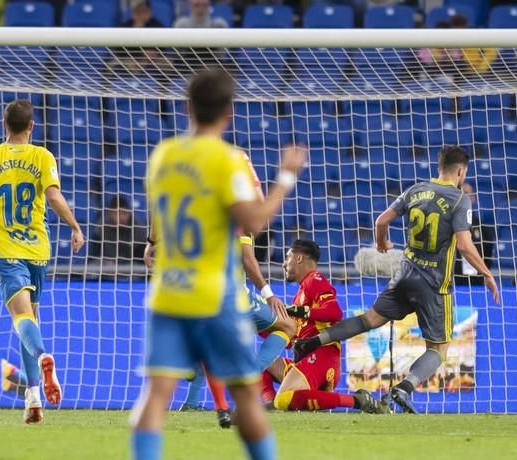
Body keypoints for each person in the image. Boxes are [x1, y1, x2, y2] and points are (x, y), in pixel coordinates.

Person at [130, 69, 306, 460]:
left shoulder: (164, 156)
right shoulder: (228, 162)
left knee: (154, 398)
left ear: (187, 107)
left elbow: (161, 213)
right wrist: (286, 178)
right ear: (228, 111)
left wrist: (152, 243)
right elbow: (255, 220)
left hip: (169, 292)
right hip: (216, 293)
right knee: (245, 398)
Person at [294, 146, 500, 414]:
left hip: (404, 273)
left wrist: (382, 243)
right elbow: (464, 245)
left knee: (368, 320)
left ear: (440, 167)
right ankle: (404, 388)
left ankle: (313, 341)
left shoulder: (416, 190)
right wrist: (486, 273)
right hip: (433, 284)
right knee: (439, 350)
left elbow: (381, 221)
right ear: (461, 171)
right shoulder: (460, 200)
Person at [145, 154, 298, 429]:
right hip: (229, 294)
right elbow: (247, 258)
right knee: (287, 325)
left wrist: (152, 242)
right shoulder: (234, 211)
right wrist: (267, 293)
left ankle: (191, 396)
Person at [0, 100, 85, 423]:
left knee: (21, 318)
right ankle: (33, 398)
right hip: (38, 248)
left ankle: (42, 356)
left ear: (5, 124)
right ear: (31, 126)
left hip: (5, 249)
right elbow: (52, 196)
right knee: (31, 319)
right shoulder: (42, 156)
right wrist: (75, 227)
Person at [261, 239, 385, 414]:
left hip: (323, 356)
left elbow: (334, 313)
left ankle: (357, 400)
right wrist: (259, 327)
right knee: (263, 365)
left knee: (285, 398)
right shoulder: (301, 292)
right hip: (306, 361)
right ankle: (272, 408)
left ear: (299, 258)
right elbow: (290, 341)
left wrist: (294, 310)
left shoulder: (315, 279)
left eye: (287, 258)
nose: (283, 264)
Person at [417, 16, 497, 82]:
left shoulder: (478, 37)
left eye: (462, 28)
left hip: (479, 71)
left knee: (458, 65)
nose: (460, 32)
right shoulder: (452, 39)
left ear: (466, 27)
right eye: (456, 29)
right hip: (462, 72)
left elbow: (491, 53)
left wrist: (481, 69)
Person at [454, 182, 494, 286]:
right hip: (453, 284)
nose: (463, 196)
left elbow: (488, 255)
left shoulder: (483, 229)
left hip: (477, 284)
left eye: (466, 193)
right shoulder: (447, 226)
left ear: (473, 198)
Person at [91, 195, 147, 266]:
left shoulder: (139, 228)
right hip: (107, 266)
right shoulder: (101, 228)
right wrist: (105, 261)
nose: (121, 217)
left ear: (129, 212)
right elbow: (96, 253)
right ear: (110, 213)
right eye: (116, 214)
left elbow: (140, 258)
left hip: (131, 266)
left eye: (124, 213)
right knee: (93, 267)